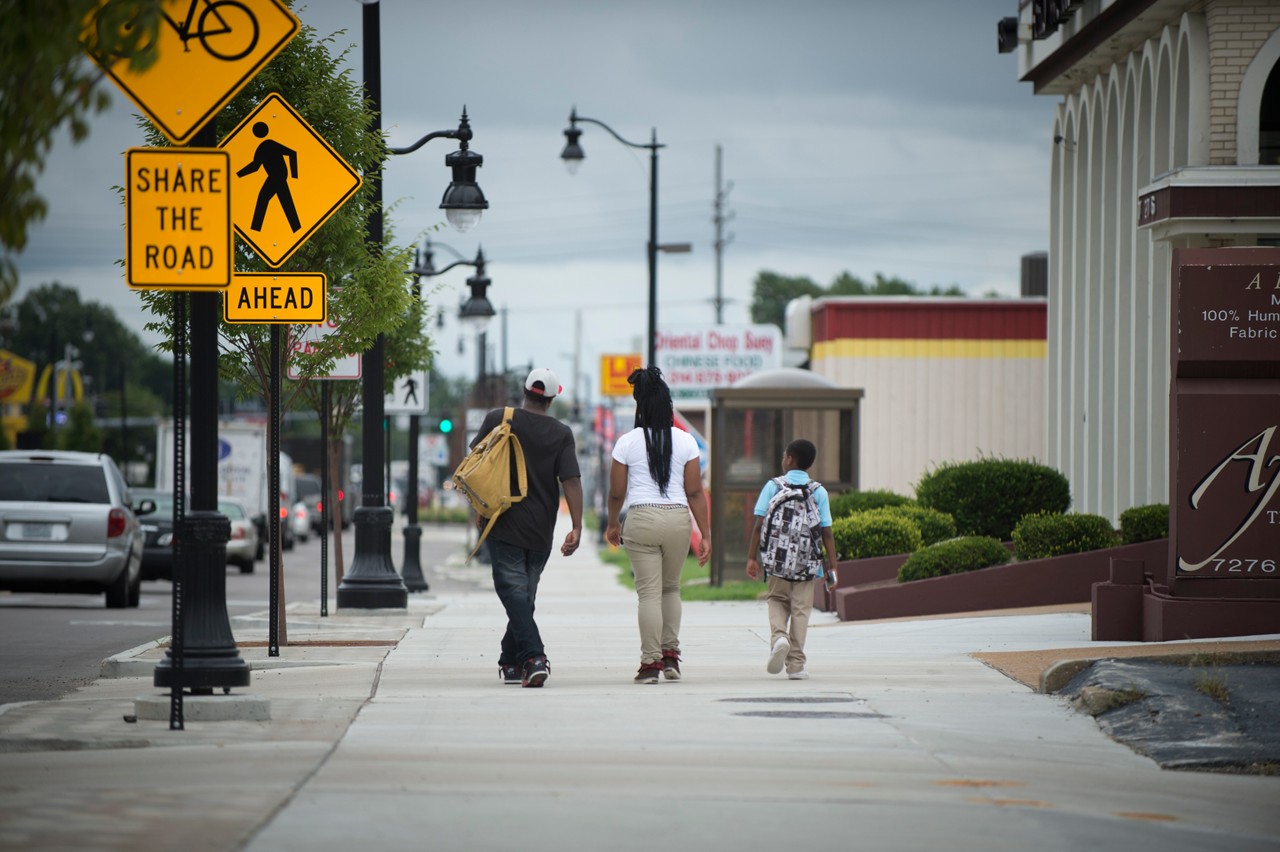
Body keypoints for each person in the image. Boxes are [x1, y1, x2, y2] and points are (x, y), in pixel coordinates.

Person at [471, 367, 582, 688]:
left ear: (524, 391)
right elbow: (571, 481)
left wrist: (479, 508)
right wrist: (576, 526)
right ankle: (511, 663)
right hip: (540, 528)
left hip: (502, 520)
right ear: (551, 398)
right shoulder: (562, 433)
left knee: (516, 594)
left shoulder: (498, 418)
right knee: (523, 595)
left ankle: (532, 657)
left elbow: (476, 466)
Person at [605, 366, 711, 684]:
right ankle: (671, 658)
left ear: (640, 404)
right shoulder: (686, 441)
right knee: (671, 588)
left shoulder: (627, 443)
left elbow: (615, 492)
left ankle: (650, 664)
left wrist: (612, 523)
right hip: (678, 519)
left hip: (642, 519)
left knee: (648, 594)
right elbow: (694, 491)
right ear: (667, 405)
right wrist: (705, 534)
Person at [745, 439, 838, 680]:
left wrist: (751, 558)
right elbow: (826, 532)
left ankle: (778, 638)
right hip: (808, 565)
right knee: (801, 610)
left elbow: (758, 525)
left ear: (789, 460)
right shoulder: (818, 492)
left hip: (776, 562)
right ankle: (796, 664)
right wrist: (832, 568)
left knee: (776, 599)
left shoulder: (773, 486)